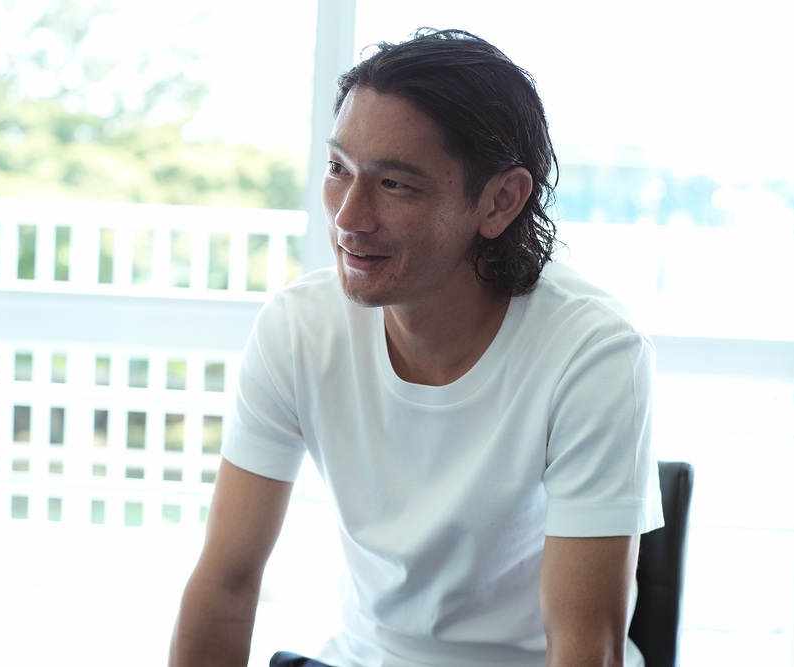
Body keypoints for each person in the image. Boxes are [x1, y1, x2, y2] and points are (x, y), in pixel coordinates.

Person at [169, 28, 663, 667]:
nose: (348, 218)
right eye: (338, 170)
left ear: (500, 201)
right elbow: (226, 583)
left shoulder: (592, 352)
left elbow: (585, 647)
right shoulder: (299, 328)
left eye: (395, 185)